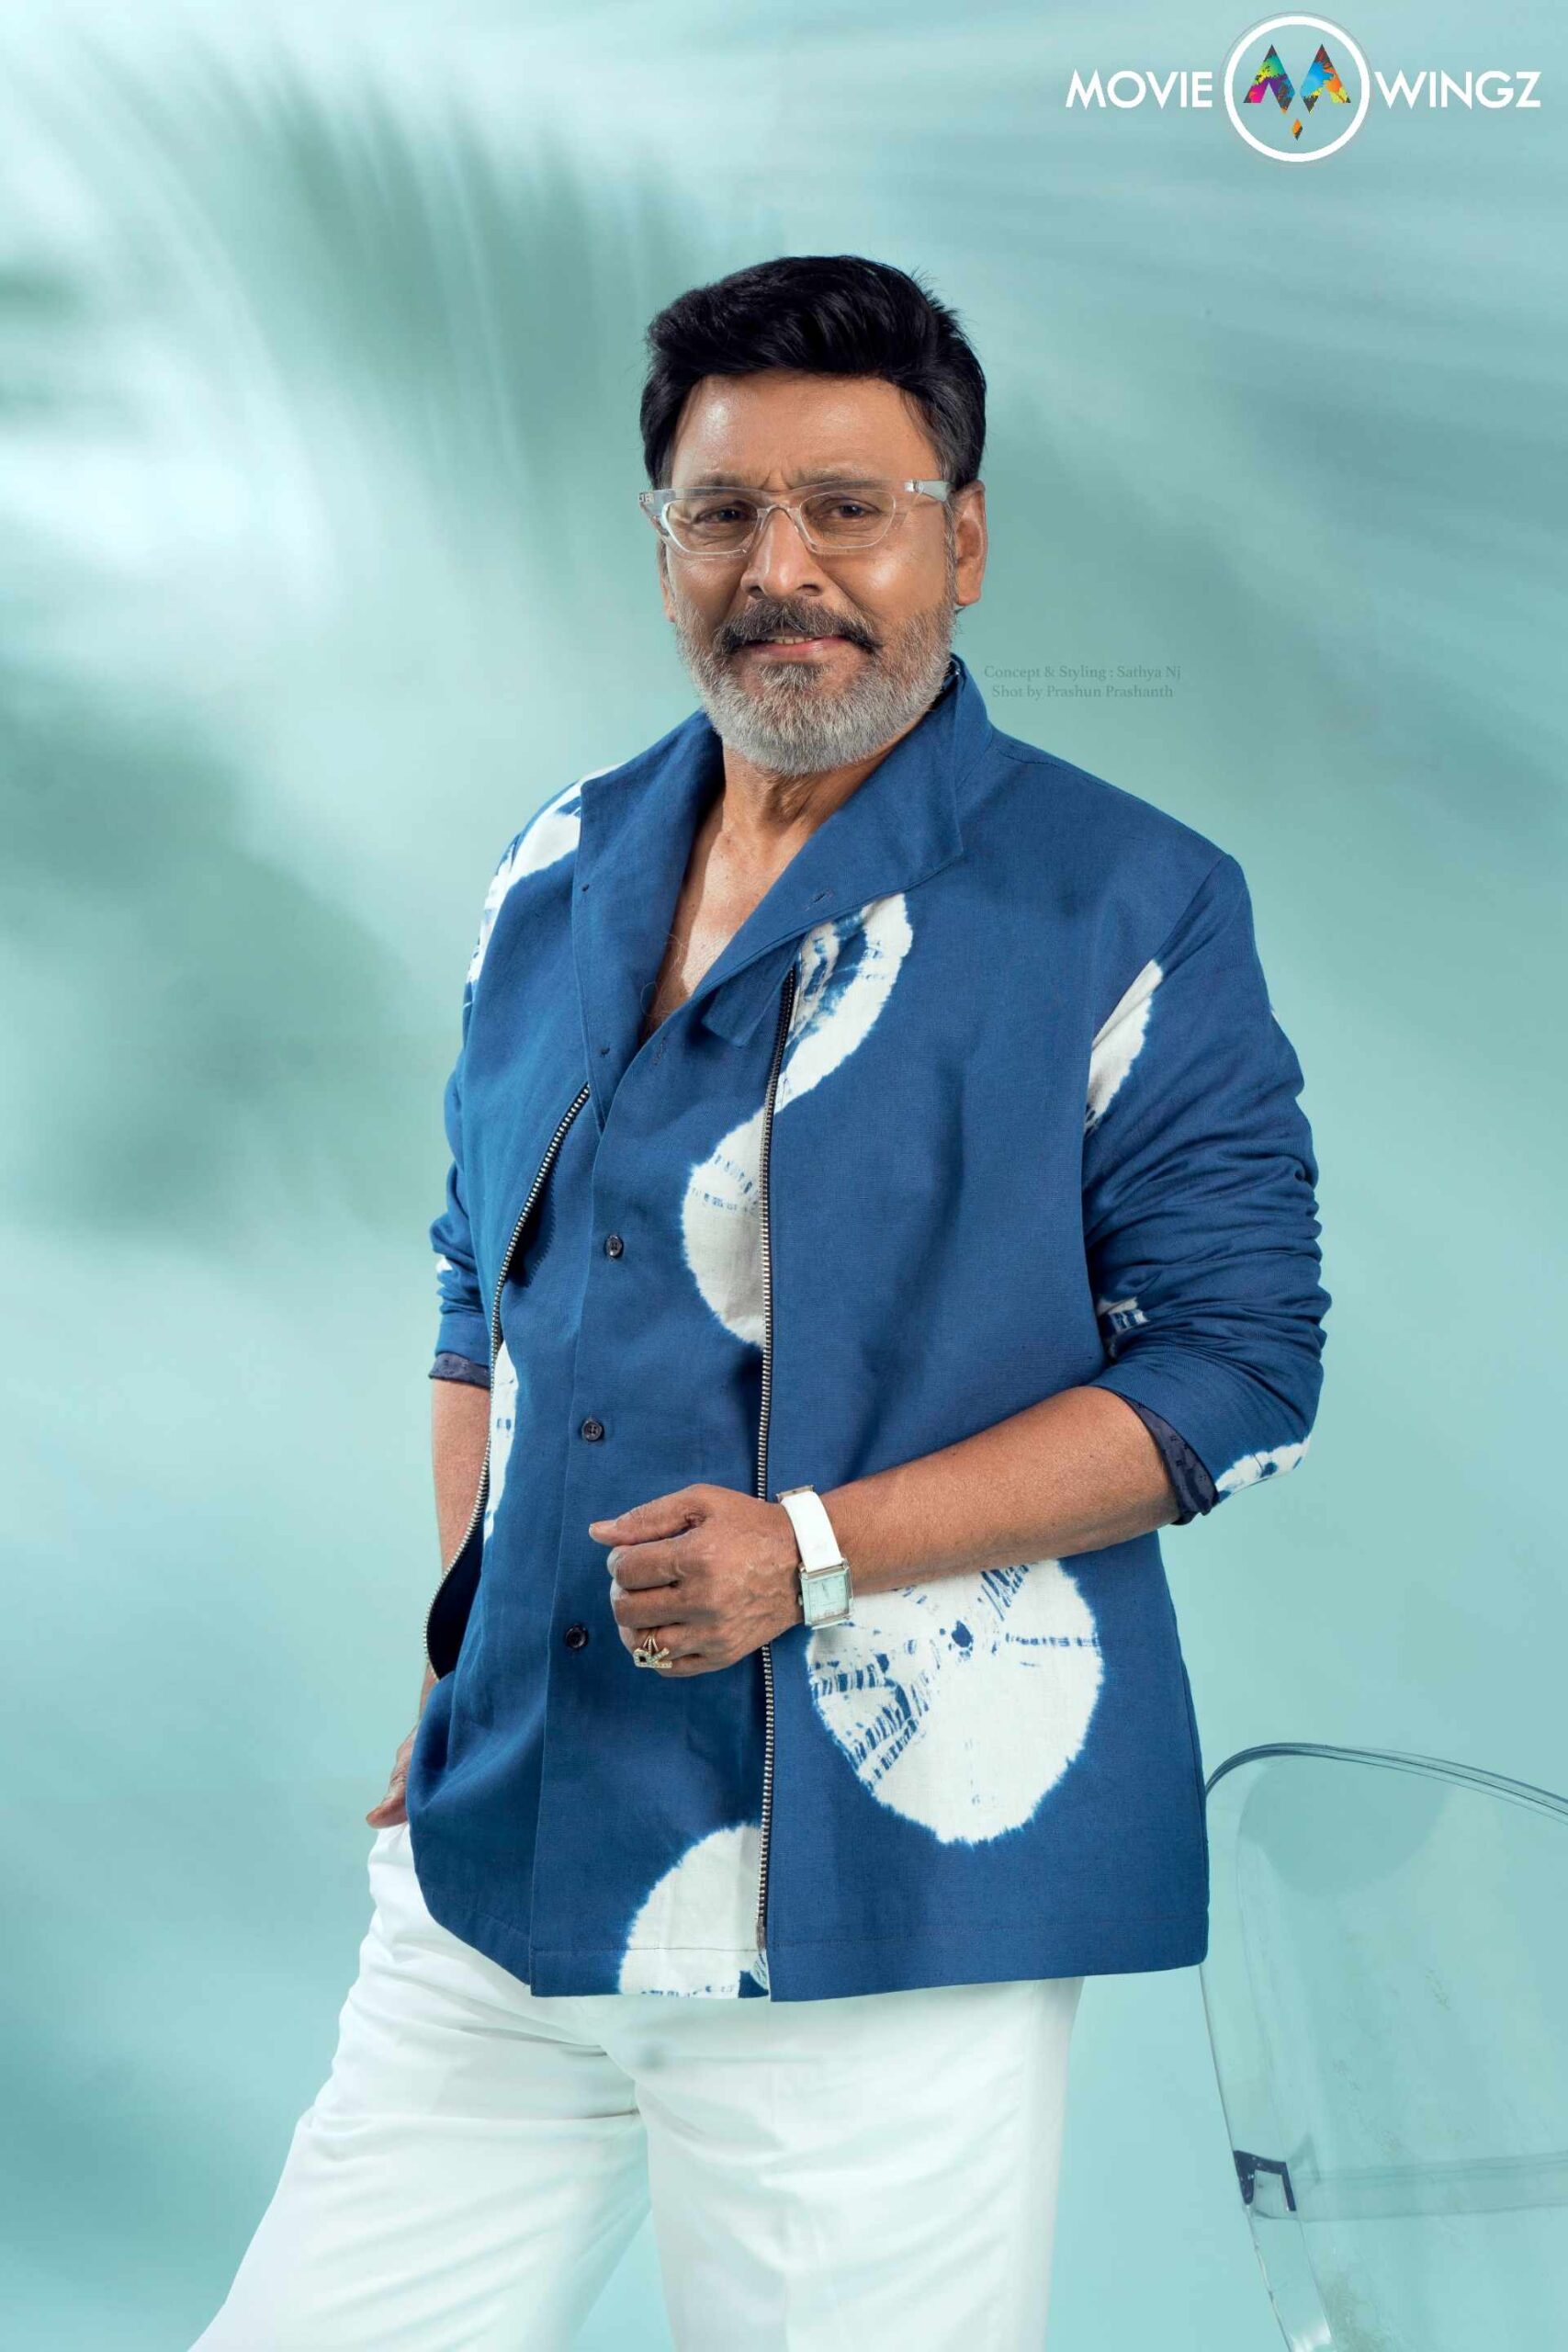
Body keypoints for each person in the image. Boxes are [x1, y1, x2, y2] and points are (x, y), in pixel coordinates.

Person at [193, 253, 1330, 2350]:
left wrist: (810, 1552)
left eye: (846, 508)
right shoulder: (556, 868)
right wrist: (468, 1647)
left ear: (960, 542)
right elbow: (478, 1289)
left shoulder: (1124, 901)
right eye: (723, 512)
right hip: (511, 1842)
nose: (780, 567)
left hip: (874, 1907)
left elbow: (1237, 1373)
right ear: (663, 545)